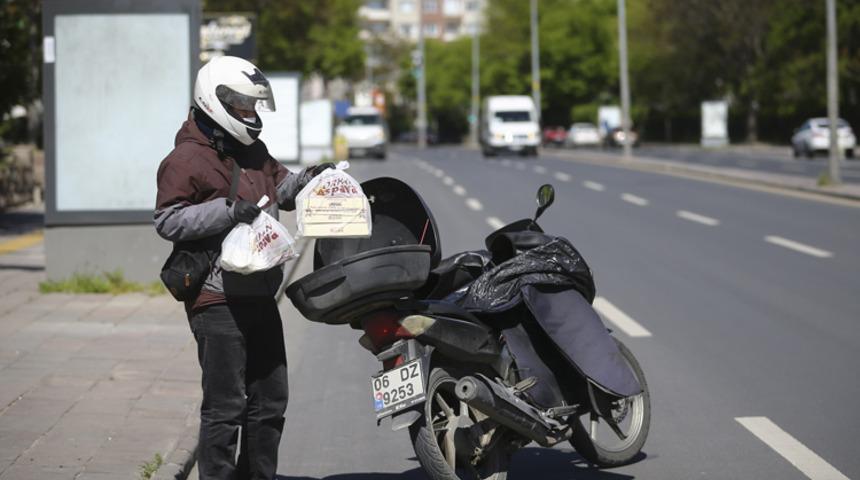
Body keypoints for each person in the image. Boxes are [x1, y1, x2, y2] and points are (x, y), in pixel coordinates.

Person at [154, 56, 330, 480]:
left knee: (270, 400)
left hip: (260, 291)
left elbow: (282, 187)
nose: (250, 114)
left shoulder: (254, 151)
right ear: (214, 102)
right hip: (217, 298)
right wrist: (227, 211)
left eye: (253, 106)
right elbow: (167, 219)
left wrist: (311, 178)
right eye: (242, 105)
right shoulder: (185, 159)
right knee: (225, 406)